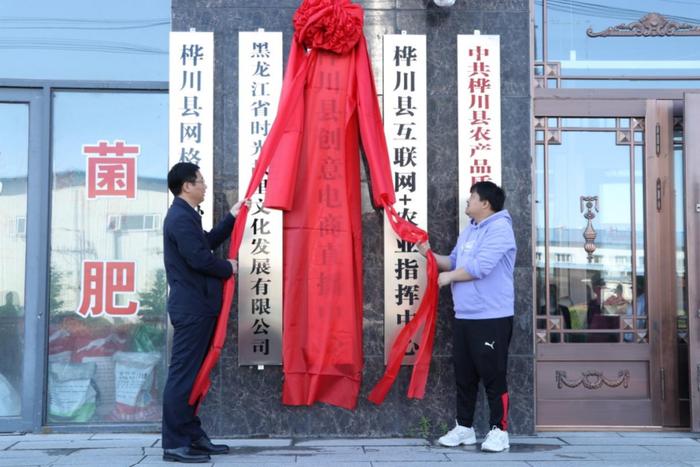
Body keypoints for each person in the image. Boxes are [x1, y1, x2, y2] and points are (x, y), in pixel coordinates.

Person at [417, 181, 516, 453]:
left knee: (493, 375)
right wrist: (428, 254)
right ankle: (464, 428)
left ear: (485, 203)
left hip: (492, 317)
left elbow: (480, 267)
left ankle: (499, 430)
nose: (467, 201)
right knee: (464, 375)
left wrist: (448, 278)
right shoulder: (470, 231)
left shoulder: (500, 229)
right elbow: (453, 261)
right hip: (465, 316)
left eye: (471, 197)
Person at [161, 162, 248, 463]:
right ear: (187, 185)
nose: (205, 185)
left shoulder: (187, 216)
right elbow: (199, 259)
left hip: (199, 307)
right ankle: (174, 443)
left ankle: (191, 436)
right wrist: (228, 267)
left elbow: (206, 244)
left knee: (194, 376)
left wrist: (231, 218)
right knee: (183, 377)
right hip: (192, 309)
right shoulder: (180, 218)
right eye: (200, 181)